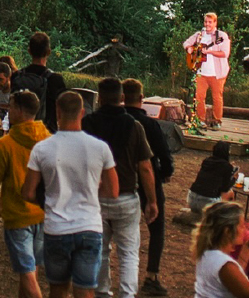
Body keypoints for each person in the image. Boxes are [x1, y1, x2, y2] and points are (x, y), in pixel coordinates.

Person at [23, 91, 119, 298]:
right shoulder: (100, 148)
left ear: (57, 111)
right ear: (82, 112)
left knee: (57, 289)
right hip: (89, 226)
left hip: (56, 227)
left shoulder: (42, 149)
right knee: (85, 290)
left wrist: (47, 199)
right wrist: (93, 187)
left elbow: (28, 192)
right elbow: (113, 191)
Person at [82, 77, 158, 298]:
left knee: (100, 250)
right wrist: (151, 201)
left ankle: (102, 292)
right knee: (128, 254)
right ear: (122, 98)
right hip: (126, 197)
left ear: (100, 97)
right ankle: (127, 294)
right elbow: (144, 168)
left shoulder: (88, 124)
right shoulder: (134, 126)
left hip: (95, 197)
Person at [122, 78, 175, 297]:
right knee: (157, 228)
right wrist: (162, 175)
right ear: (141, 98)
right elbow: (165, 157)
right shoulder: (151, 125)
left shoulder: (119, 122)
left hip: (122, 180)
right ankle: (151, 275)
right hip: (149, 180)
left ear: (122, 97)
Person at [0, 90, 50, 298]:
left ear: (20, 111)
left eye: (10, 107)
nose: (8, 111)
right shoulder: (48, 139)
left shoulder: (6, 144)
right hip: (43, 213)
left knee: (27, 274)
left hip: (18, 215)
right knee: (32, 271)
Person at [193, 200, 249, 298]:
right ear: (227, 231)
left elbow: (230, 282)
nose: (245, 229)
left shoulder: (207, 253)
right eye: (241, 226)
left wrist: (244, 256)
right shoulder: (225, 265)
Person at [11, 32, 67, 135]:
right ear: (49, 52)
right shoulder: (55, 80)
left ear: (29, 51)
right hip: (44, 136)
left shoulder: (16, 76)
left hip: (19, 134)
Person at [184, 13, 231, 130]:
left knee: (217, 97)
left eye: (210, 22)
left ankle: (217, 121)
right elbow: (186, 42)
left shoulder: (221, 36)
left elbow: (225, 53)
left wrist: (210, 52)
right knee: (199, 97)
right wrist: (189, 48)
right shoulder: (200, 35)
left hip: (217, 73)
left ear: (215, 23)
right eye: (206, 22)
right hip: (201, 72)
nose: (207, 24)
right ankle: (200, 120)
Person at [188, 140, 239, 213]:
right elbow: (225, 188)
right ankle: (229, 216)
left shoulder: (206, 161)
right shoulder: (227, 167)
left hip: (191, 198)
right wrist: (234, 178)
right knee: (230, 193)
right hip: (207, 204)